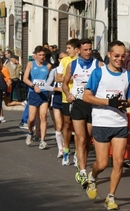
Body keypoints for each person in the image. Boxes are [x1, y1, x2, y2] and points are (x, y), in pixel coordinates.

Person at [82, 40, 130, 210]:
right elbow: (87, 97)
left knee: (118, 162)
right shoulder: (99, 73)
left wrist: (125, 103)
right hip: (102, 121)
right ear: (109, 55)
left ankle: (111, 197)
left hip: (120, 122)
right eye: (116, 55)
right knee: (102, 164)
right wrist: (108, 102)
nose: (120, 59)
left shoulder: (128, 75)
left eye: (122, 56)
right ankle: (93, 176)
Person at [62, 38, 103, 186]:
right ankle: (83, 171)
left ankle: (81, 160)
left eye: (89, 49)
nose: (88, 52)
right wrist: (68, 94)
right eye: (85, 50)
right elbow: (64, 84)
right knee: (80, 138)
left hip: (92, 105)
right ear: (78, 50)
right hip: (78, 103)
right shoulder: (72, 65)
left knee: (88, 138)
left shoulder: (98, 65)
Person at [22, 45, 52, 149]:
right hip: (33, 93)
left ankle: (42, 140)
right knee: (31, 118)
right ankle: (30, 132)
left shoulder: (48, 66)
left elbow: (50, 80)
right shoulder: (31, 64)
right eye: (40, 55)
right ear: (35, 56)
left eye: (43, 55)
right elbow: (25, 79)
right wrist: (34, 86)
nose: (42, 57)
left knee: (43, 116)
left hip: (44, 93)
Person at [56, 38, 80, 166]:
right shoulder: (65, 61)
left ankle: (77, 153)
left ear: (77, 49)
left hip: (80, 98)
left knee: (78, 127)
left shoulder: (82, 61)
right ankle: (66, 150)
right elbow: (57, 77)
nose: (67, 50)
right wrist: (68, 78)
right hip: (67, 97)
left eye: (69, 48)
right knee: (67, 124)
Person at [48, 51, 67, 158]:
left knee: (67, 126)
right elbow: (46, 86)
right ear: (58, 60)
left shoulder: (72, 70)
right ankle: (60, 149)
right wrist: (57, 89)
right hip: (57, 99)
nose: (63, 60)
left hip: (67, 99)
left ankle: (66, 145)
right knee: (59, 125)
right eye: (61, 58)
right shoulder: (55, 71)